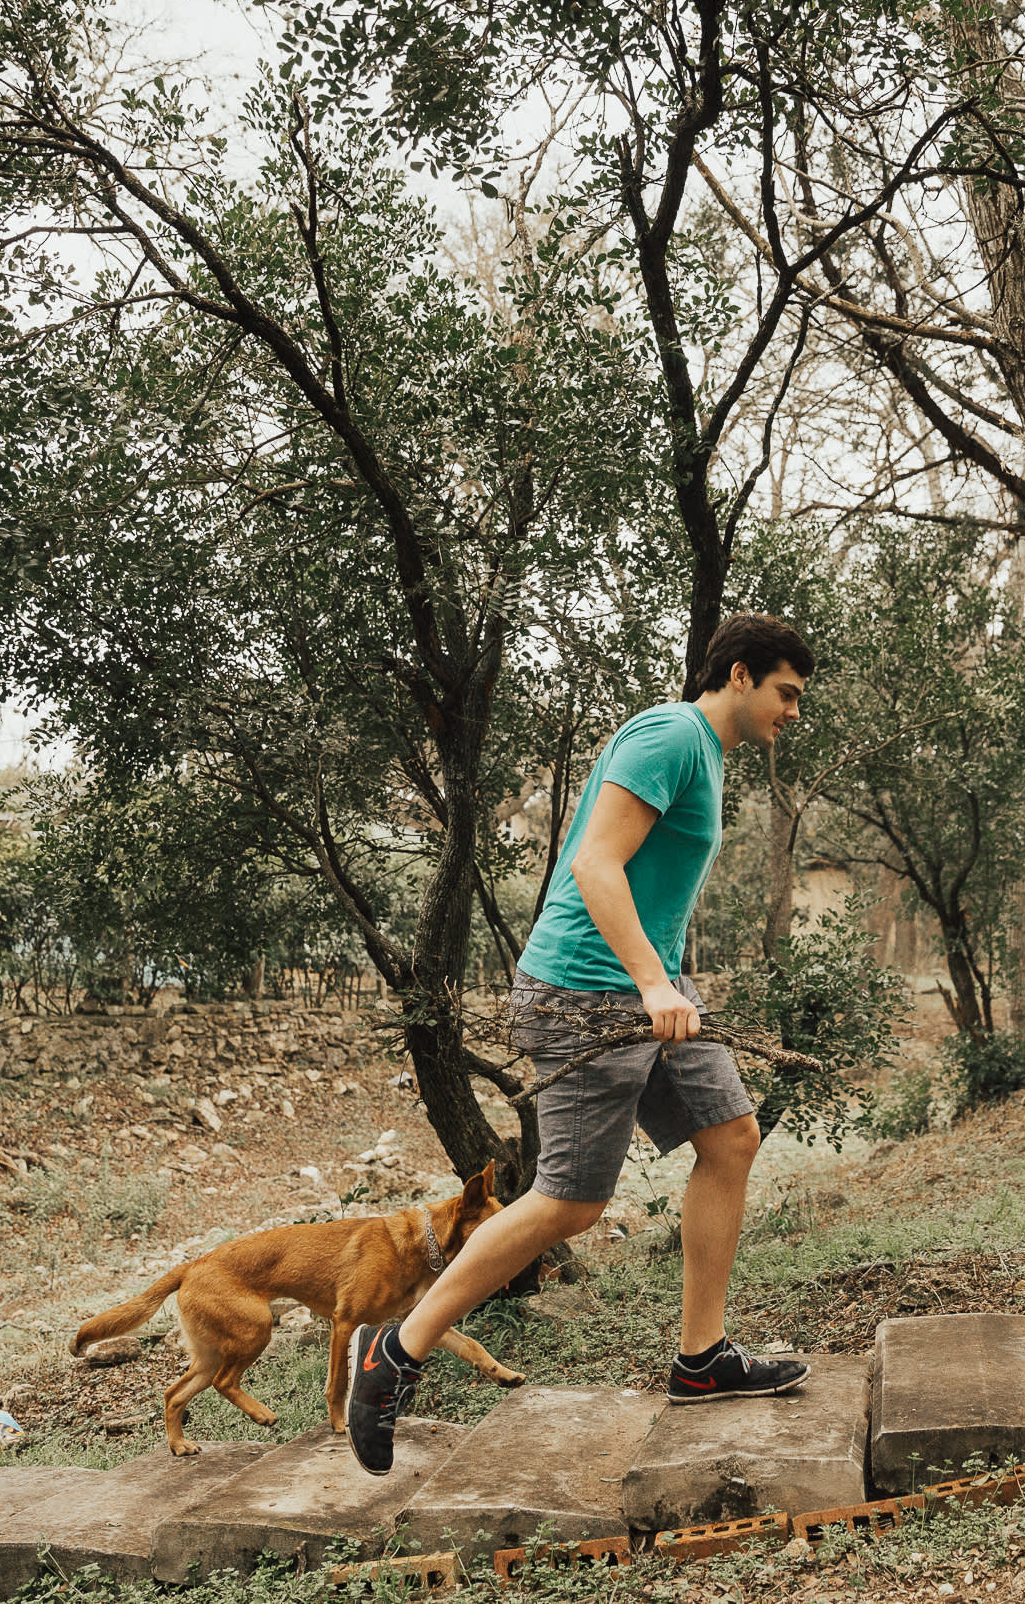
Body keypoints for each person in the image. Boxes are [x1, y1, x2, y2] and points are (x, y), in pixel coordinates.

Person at [345, 614, 817, 1474]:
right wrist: (650, 982)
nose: (792, 711)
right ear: (741, 674)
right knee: (570, 1200)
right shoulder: (672, 734)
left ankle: (702, 1360)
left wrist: (662, 981)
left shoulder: (707, 753)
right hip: (586, 994)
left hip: (650, 989)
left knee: (732, 1137)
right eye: (786, 693)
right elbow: (596, 863)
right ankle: (395, 1351)